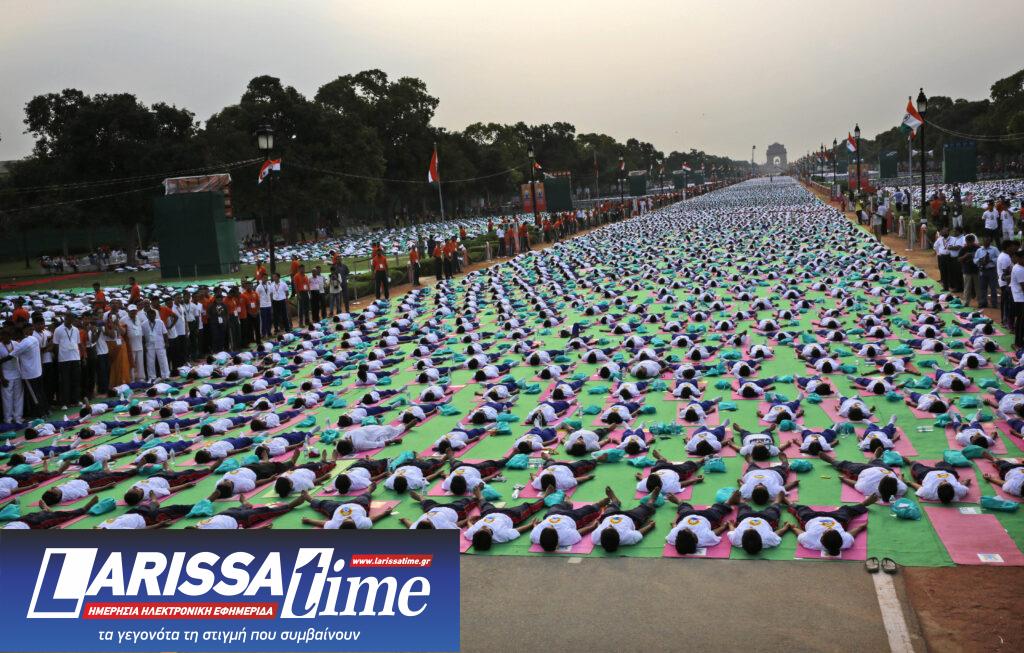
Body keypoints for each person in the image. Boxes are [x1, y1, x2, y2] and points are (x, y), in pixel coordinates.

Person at [789, 496, 876, 557]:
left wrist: (793, 528)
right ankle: (864, 504)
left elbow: (800, 533)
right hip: (836, 518)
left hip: (812, 518)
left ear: (821, 540)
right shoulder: (845, 541)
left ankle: (789, 502)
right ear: (841, 538)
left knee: (801, 509)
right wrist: (861, 527)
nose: (828, 529)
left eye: (825, 531)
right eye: (833, 530)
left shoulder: (811, 541)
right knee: (846, 510)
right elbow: (851, 533)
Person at [52, 312, 82, 409]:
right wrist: (58, 357)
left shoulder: (76, 329)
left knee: (76, 380)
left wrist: (80, 357)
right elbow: (55, 345)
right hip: (64, 359)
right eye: (68, 318)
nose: (70, 320)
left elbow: (78, 343)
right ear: (65, 318)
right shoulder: (58, 330)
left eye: (72, 318)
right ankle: (64, 403)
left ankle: (76, 400)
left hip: (75, 357)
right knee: (65, 381)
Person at [974, 235, 1000, 310]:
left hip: (991, 270)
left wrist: (991, 260)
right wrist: (980, 260)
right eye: (985, 240)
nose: (986, 242)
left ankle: (994, 303)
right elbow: (975, 259)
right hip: (982, 270)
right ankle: (983, 303)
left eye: (988, 240)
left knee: (993, 287)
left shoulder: (994, 249)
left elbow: (999, 258)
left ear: (990, 241)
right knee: (982, 287)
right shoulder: (979, 250)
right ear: (982, 241)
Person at [959, 234, 980, 308]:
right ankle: (966, 302)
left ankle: (980, 302)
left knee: (978, 287)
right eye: (968, 242)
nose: (970, 244)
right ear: (966, 242)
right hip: (967, 270)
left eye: (971, 242)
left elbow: (981, 257)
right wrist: (965, 256)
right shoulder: (963, 249)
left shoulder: (978, 248)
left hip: (976, 270)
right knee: (967, 287)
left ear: (974, 241)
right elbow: (959, 259)